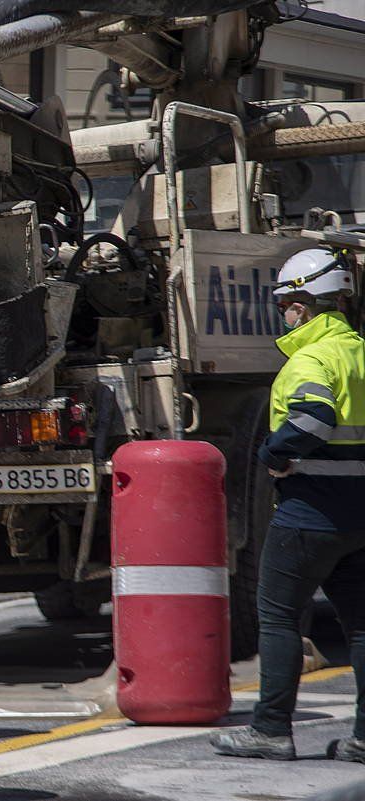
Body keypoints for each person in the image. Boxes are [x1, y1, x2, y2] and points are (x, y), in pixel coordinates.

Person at [210, 247, 365, 762]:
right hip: (360, 514)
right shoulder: (360, 352)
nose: (284, 314)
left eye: (286, 304)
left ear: (304, 303)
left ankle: (271, 729)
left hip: (309, 515)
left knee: (276, 618)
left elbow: (313, 417)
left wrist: (272, 455)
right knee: (360, 625)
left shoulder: (312, 358)